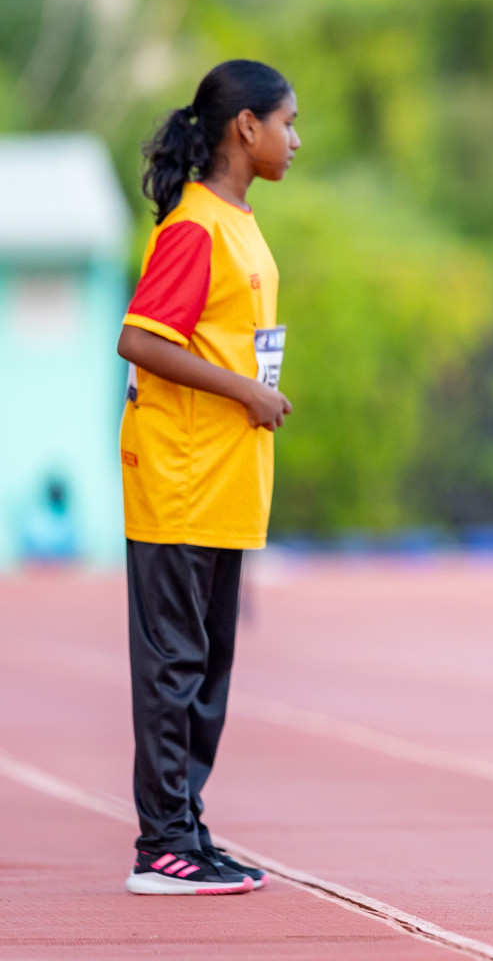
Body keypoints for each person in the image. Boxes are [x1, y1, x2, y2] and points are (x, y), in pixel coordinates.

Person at [117, 60, 299, 895]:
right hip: (179, 479)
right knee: (175, 668)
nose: (295, 141)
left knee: (208, 670)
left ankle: (185, 827)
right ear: (246, 128)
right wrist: (248, 392)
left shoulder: (240, 223)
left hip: (225, 480)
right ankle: (160, 847)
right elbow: (142, 340)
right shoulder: (194, 226)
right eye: (287, 123)